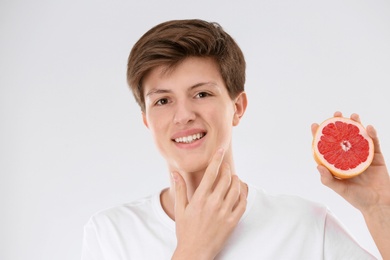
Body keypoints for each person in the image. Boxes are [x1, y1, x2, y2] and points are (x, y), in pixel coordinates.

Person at [81, 19, 390, 259]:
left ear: (237, 108)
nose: (183, 115)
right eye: (163, 100)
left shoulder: (304, 226)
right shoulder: (111, 233)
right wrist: (192, 252)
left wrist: (380, 207)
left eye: (201, 94)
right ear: (147, 120)